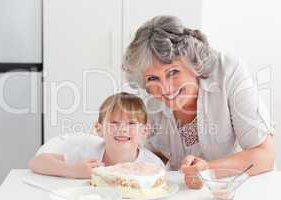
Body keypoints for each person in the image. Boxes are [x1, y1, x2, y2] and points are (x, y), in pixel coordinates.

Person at [122, 15, 275, 189]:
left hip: (232, 187)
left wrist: (207, 170)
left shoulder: (229, 72)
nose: (164, 88)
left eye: (173, 72)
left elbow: (265, 157)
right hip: (178, 191)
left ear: (193, 64)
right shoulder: (141, 94)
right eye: (153, 78)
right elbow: (152, 156)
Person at [29, 92, 165, 179]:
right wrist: (72, 170)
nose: (122, 129)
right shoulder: (89, 155)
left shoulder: (152, 165)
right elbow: (36, 162)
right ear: (99, 129)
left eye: (131, 123)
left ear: (144, 130)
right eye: (114, 123)